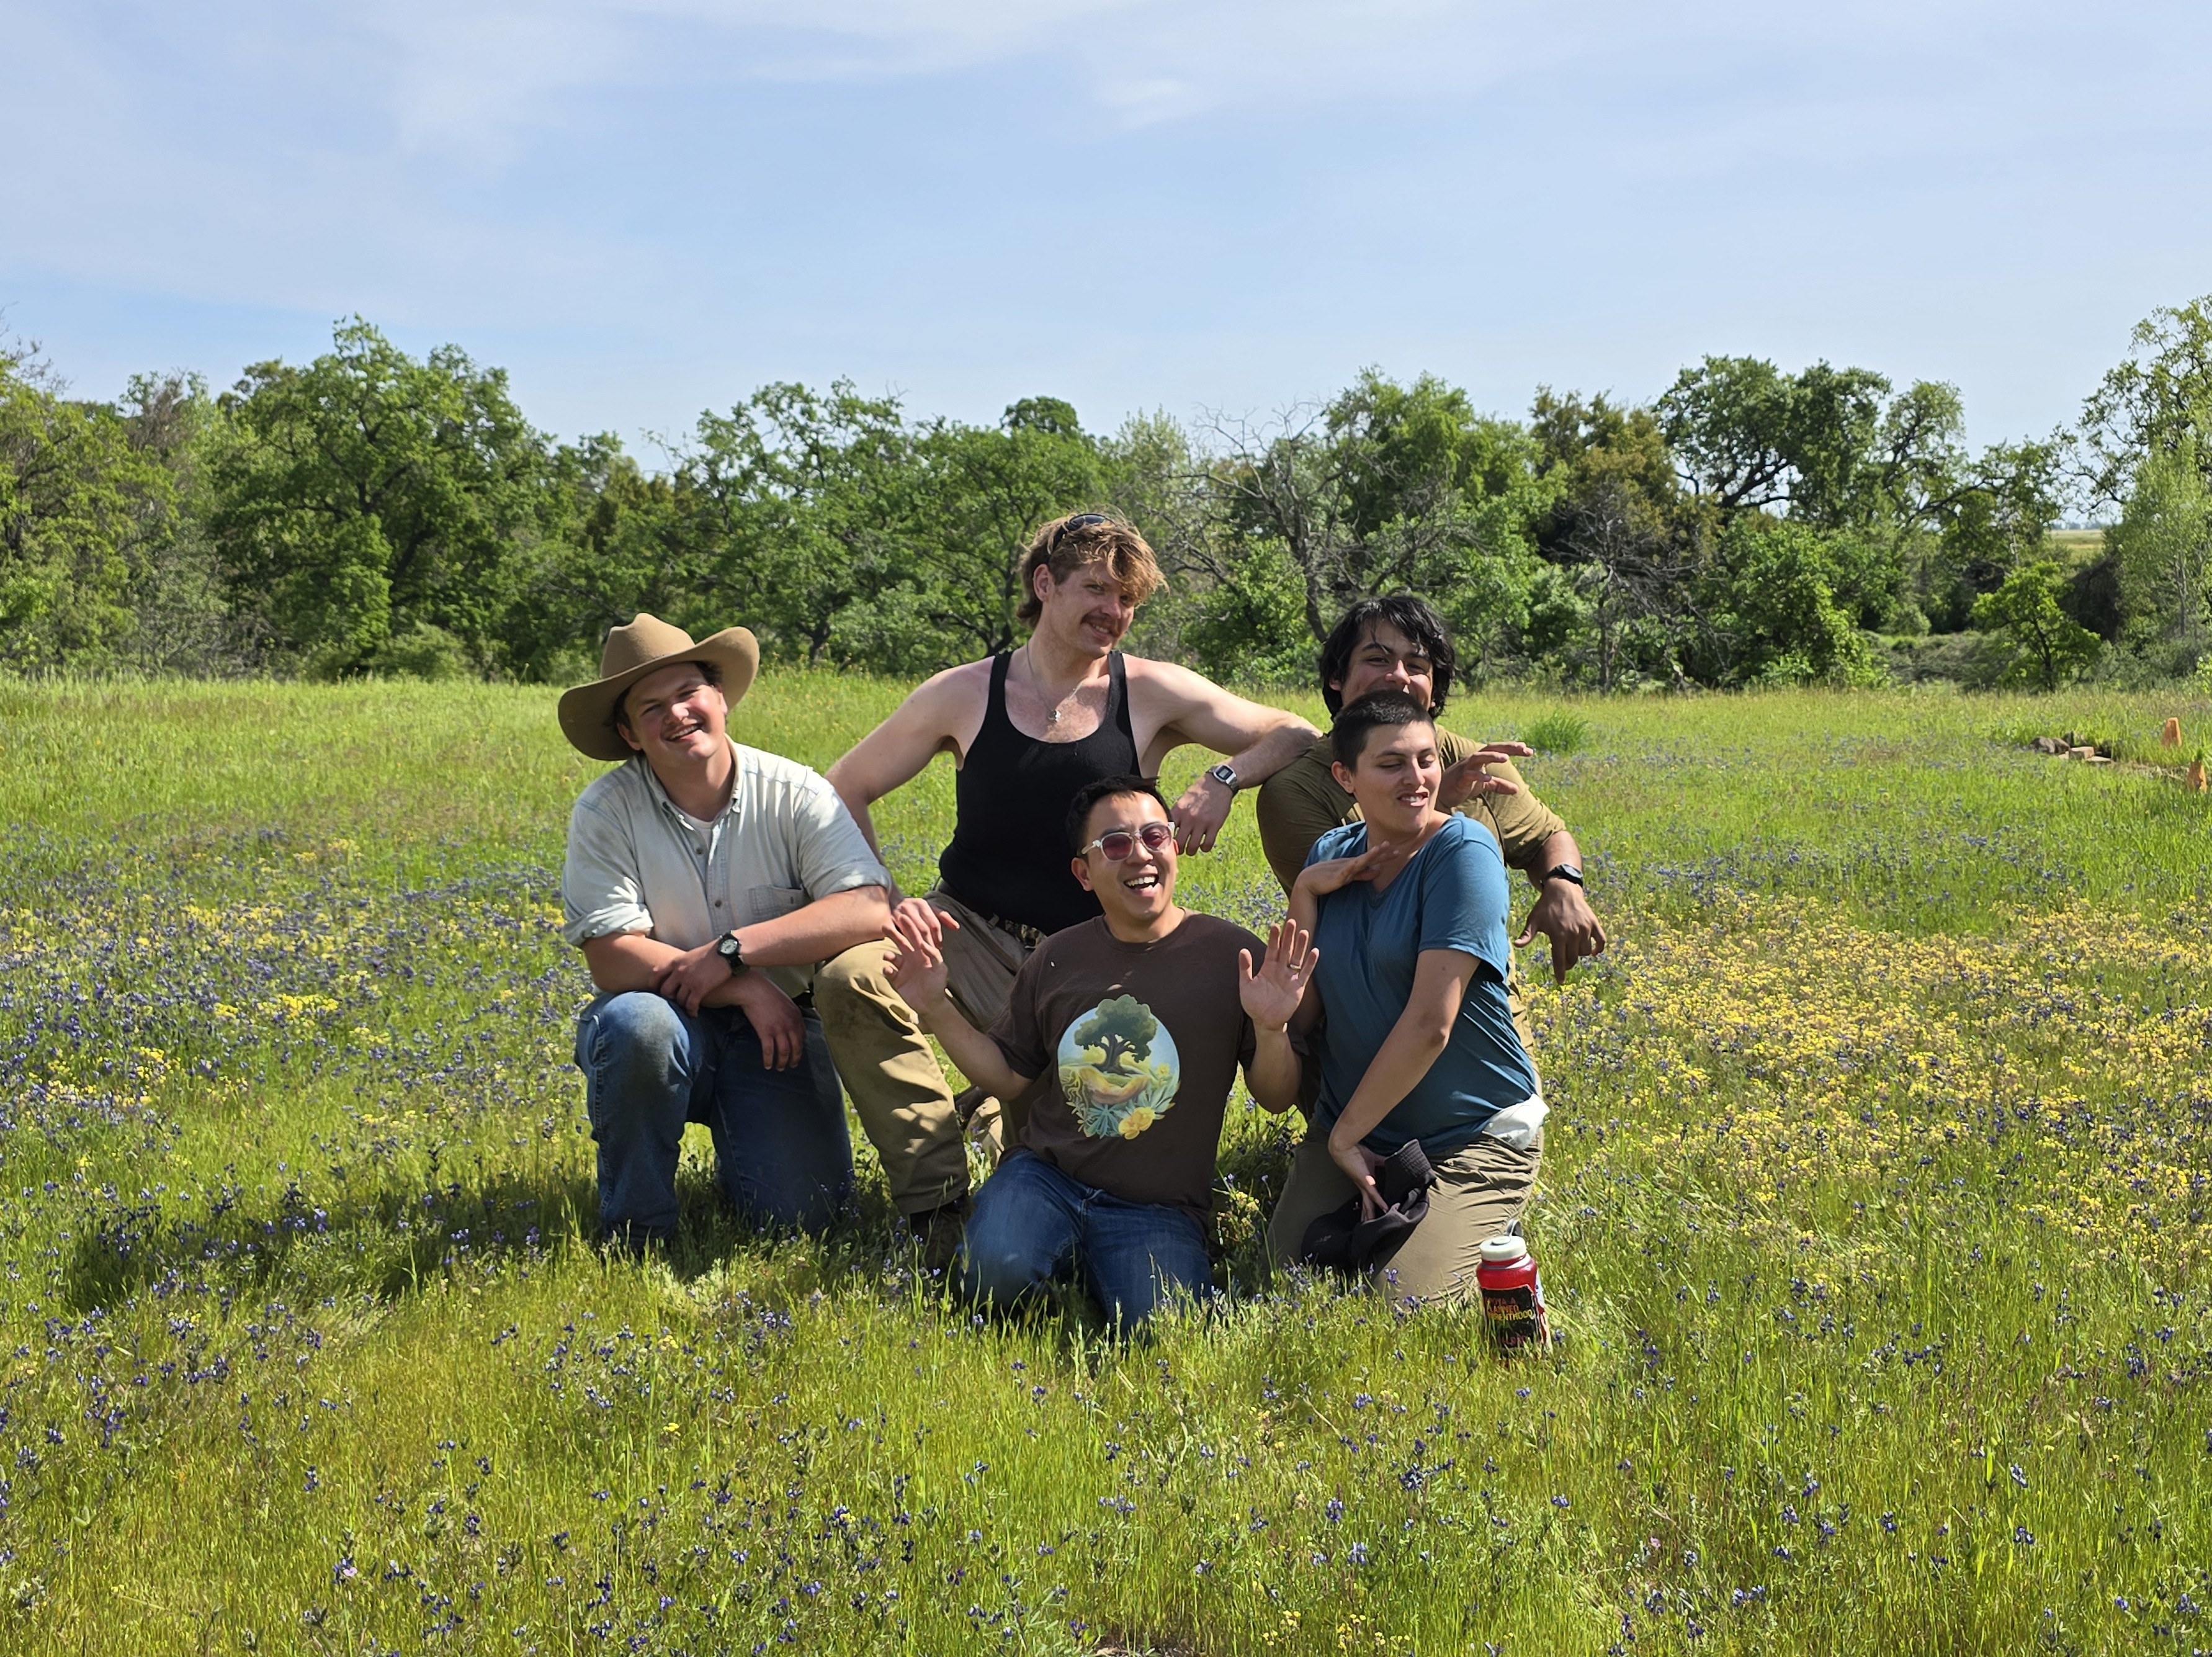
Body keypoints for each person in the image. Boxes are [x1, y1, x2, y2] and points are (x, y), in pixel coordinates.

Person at [826, 511, 1318, 1147]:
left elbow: (1296, 733)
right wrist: (889, 903)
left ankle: (990, 1106)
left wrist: (1222, 780)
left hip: (1090, 956)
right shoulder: (965, 693)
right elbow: (844, 786)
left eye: (1127, 599)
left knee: (1068, 1144)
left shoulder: (1146, 691)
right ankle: (934, 1190)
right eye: (1096, 589)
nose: (1113, 611)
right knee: (852, 978)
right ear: (1044, 585)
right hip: (968, 932)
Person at [558, 614, 969, 1251]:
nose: (677, 715)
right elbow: (612, 960)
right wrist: (745, 987)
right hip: (671, 1019)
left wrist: (732, 953)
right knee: (634, 1027)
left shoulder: (796, 792)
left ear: (720, 697)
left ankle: (747, 1145)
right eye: (651, 708)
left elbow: (864, 907)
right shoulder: (606, 810)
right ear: (628, 733)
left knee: (804, 1222)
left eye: (689, 694)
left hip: (780, 1033)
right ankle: (638, 1228)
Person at [880, 776, 1314, 1330]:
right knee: (990, 1282)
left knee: (1168, 1332)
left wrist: (1271, 1028)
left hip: (1158, 1207)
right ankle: (1042, 1244)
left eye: (1154, 836)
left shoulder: (1231, 954)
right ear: (1083, 873)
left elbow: (1274, 1098)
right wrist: (935, 1008)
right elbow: (1010, 1078)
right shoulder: (1060, 957)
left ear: (1174, 847)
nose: (1139, 855)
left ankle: (1098, 1263)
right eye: (1114, 844)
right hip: (1048, 1179)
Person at [1265, 691, 1546, 1303]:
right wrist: (1307, 895)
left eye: (1426, 760)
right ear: (1346, 777)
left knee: (1400, 1306)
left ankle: (1487, 1228)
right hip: (1360, 1129)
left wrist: (1342, 1137)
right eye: (1391, 764)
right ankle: (1423, 1226)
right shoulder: (1329, 855)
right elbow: (1308, 1016)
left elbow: (1429, 1026)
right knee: (1287, 1285)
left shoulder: (1463, 852)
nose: (1417, 779)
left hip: (1473, 1132)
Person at [1254, 595, 1605, 1051]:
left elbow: (1546, 837)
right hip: (1365, 1041)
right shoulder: (1298, 789)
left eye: (1416, 665)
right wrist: (1438, 798)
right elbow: (1362, 894)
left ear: (1434, 688)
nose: (1397, 676)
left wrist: (1563, 883)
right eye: (1377, 658)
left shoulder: (1472, 759)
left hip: (1486, 1039)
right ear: (1336, 678)